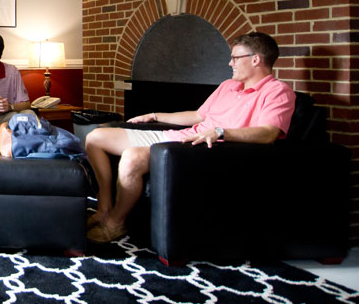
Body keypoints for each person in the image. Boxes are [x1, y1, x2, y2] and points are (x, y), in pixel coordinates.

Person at [84, 32, 296, 243]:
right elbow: (198, 115)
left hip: (207, 150)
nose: (230, 63)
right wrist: (154, 115)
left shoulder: (277, 91)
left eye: (235, 58)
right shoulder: (228, 86)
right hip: (180, 138)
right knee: (95, 137)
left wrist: (221, 132)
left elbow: (269, 133)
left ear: (255, 59)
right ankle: (104, 207)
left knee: (132, 157)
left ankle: (115, 224)